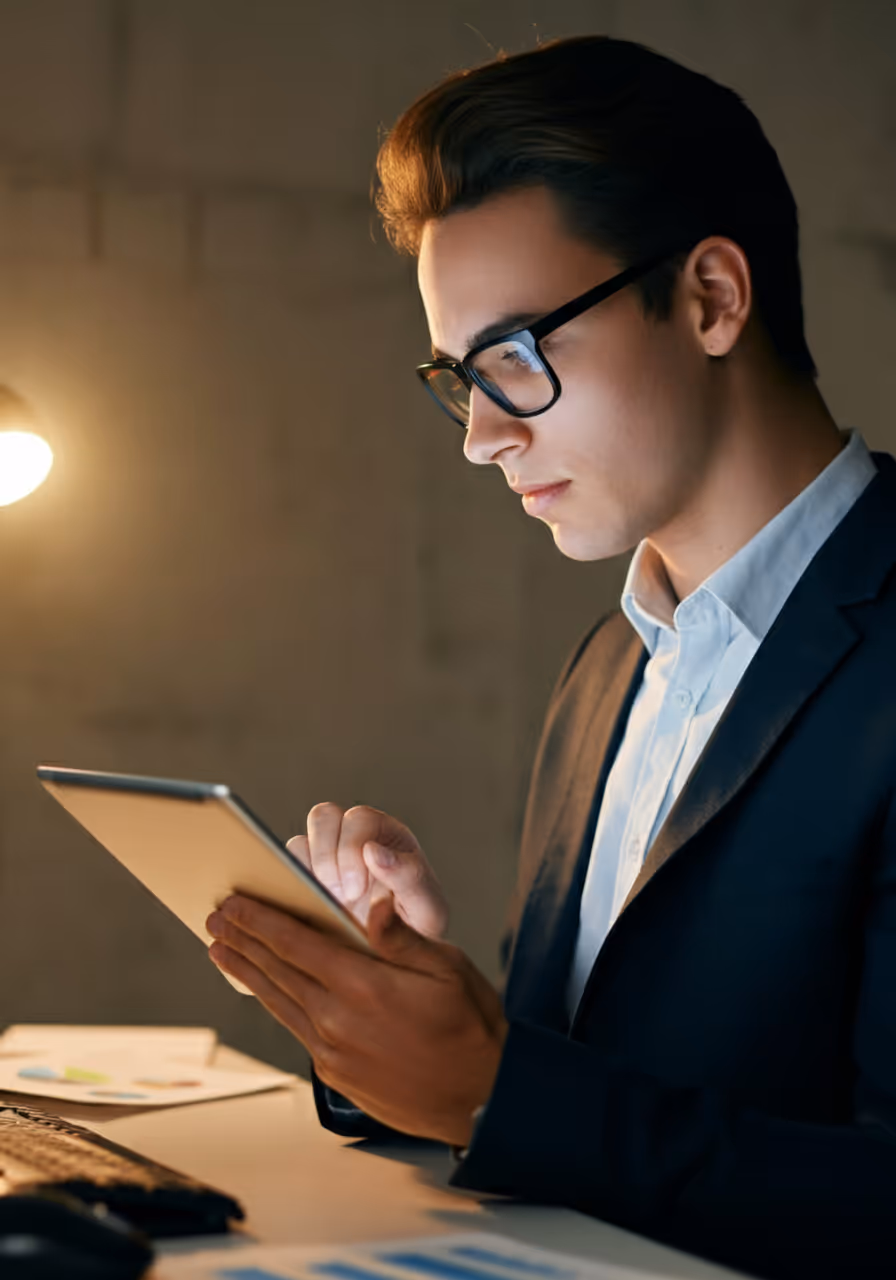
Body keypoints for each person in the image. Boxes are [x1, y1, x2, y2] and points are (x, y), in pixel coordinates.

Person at [204, 34, 896, 1280]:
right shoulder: (608, 667)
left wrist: (489, 1088)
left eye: (514, 360)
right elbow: (573, 1104)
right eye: (457, 376)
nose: (479, 437)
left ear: (709, 298)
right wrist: (395, 1021)